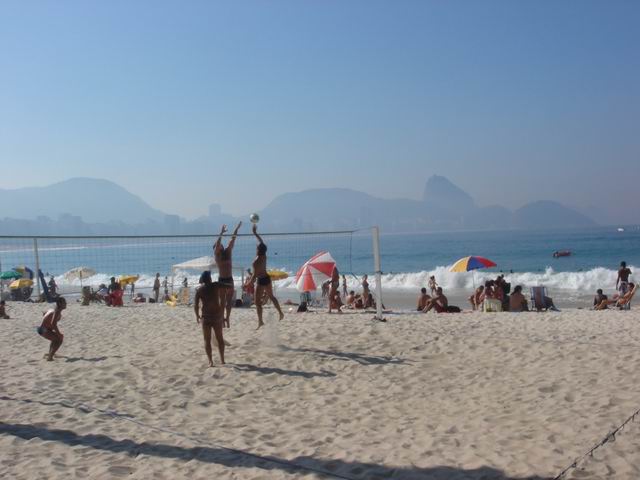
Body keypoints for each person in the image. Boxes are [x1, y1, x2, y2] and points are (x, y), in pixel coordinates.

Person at [194, 271, 234, 366]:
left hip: (206, 317)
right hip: (217, 316)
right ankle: (222, 360)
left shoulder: (199, 290)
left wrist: (197, 316)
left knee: (207, 340)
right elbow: (229, 286)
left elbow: (195, 306)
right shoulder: (216, 285)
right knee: (220, 339)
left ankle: (210, 361)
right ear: (210, 278)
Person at [248, 224, 284, 329]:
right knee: (272, 297)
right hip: (267, 278)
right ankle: (281, 313)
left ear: (258, 249)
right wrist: (255, 233)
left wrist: (249, 283)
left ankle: (260, 321)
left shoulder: (256, 261)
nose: (256, 246)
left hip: (261, 280)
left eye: (256, 247)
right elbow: (261, 242)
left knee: (257, 302)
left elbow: (254, 275)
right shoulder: (264, 255)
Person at [214, 222, 242, 327]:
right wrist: (221, 233)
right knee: (222, 302)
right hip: (221, 280)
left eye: (220, 245)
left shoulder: (228, 251)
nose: (219, 246)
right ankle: (221, 319)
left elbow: (233, 239)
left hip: (229, 279)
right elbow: (217, 244)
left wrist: (237, 228)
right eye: (217, 246)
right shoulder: (217, 256)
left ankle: (227, 319)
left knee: (229, 302)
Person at [37, 297, 66, 361]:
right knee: (59, 339)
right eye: (64, 302)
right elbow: (53, 323)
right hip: (43, 330)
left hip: (43, 329)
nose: (66, 304)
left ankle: (50, 354)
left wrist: (45, 315)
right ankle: (50, 357)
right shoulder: (57, 311)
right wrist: (59, 334)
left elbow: (46, 313)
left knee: (55, 339)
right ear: (60, 304)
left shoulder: (54, 309)